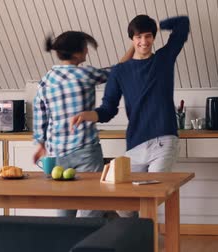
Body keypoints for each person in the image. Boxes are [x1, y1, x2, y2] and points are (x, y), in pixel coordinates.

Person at [70, 15, 190, 211]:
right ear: (132, 40)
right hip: (135, 144)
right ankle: (138, 237)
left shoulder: (164, 59)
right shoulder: (119, 72)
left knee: (150, 198)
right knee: (123, 206)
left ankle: (148, 240)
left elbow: (183, 23)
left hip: (164, 140)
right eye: (139, 37)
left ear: (153, 37)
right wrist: (87, 115)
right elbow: (107, 109)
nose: (144, 42)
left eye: (148, 36)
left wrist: (156, 25)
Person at [32, 31, 133, 218]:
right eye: (85, 47)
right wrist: (134, 47)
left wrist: (39, 144)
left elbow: (40, 117)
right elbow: (118, 71)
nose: (87, 50)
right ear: (77, 53)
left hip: (56, 154)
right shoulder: (85, 74)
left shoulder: (45, 81)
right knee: (92, 206)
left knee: (64, 211)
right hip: (85, 151)